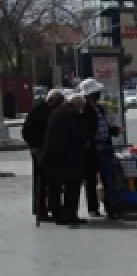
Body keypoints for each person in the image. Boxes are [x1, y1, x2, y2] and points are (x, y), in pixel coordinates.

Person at [42, 91, 93, 226]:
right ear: (77, 104)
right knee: (73, 186)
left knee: (55, 187)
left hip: (52, 156)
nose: (82, 109)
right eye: (81, 106)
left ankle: (58, 215)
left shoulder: (57, 112)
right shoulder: (72, 115)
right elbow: (80, 134)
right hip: (69, 157)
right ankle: (70, 215)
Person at [22, 89, 64, 222]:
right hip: (39, 150)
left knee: (52, 181)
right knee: (41, 181)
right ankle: (40, 210)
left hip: (50, 150)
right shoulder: (38, 110)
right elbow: (27, 130)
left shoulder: (52, 110)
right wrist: (34, 146)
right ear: (51, 100)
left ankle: (52, 207)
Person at [78, 78, 115, 218]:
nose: (99, 94)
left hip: (105, 145)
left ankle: (110, 206)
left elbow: (104, 125)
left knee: (108, 178)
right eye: (97, 92)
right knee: (91, 179)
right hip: (92, 149)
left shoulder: (99, 108)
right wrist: (93, 143)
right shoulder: (84, 110)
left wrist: (113, 130)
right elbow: (85, 131)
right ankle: (93, 208)